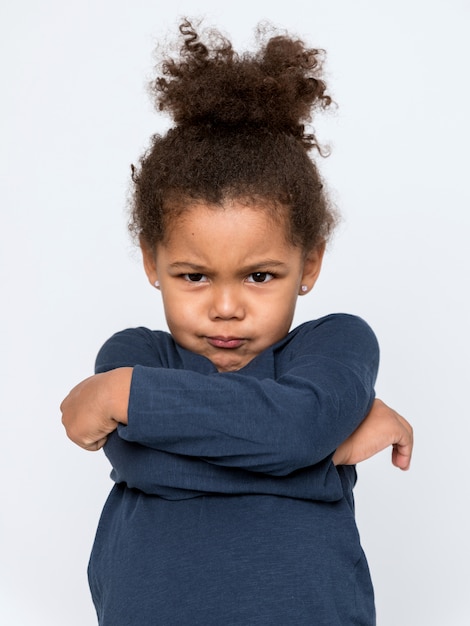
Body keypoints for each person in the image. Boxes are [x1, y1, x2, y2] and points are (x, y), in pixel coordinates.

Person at [61, 19, 413, 625]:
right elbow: (143, 462)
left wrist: (128, 399)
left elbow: (297, 427)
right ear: (152, 261)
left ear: (310, 263)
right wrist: (326, 456)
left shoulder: (336, 343)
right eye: (194, 276)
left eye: (259, 276)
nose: (226, 307)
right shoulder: (135, 354)